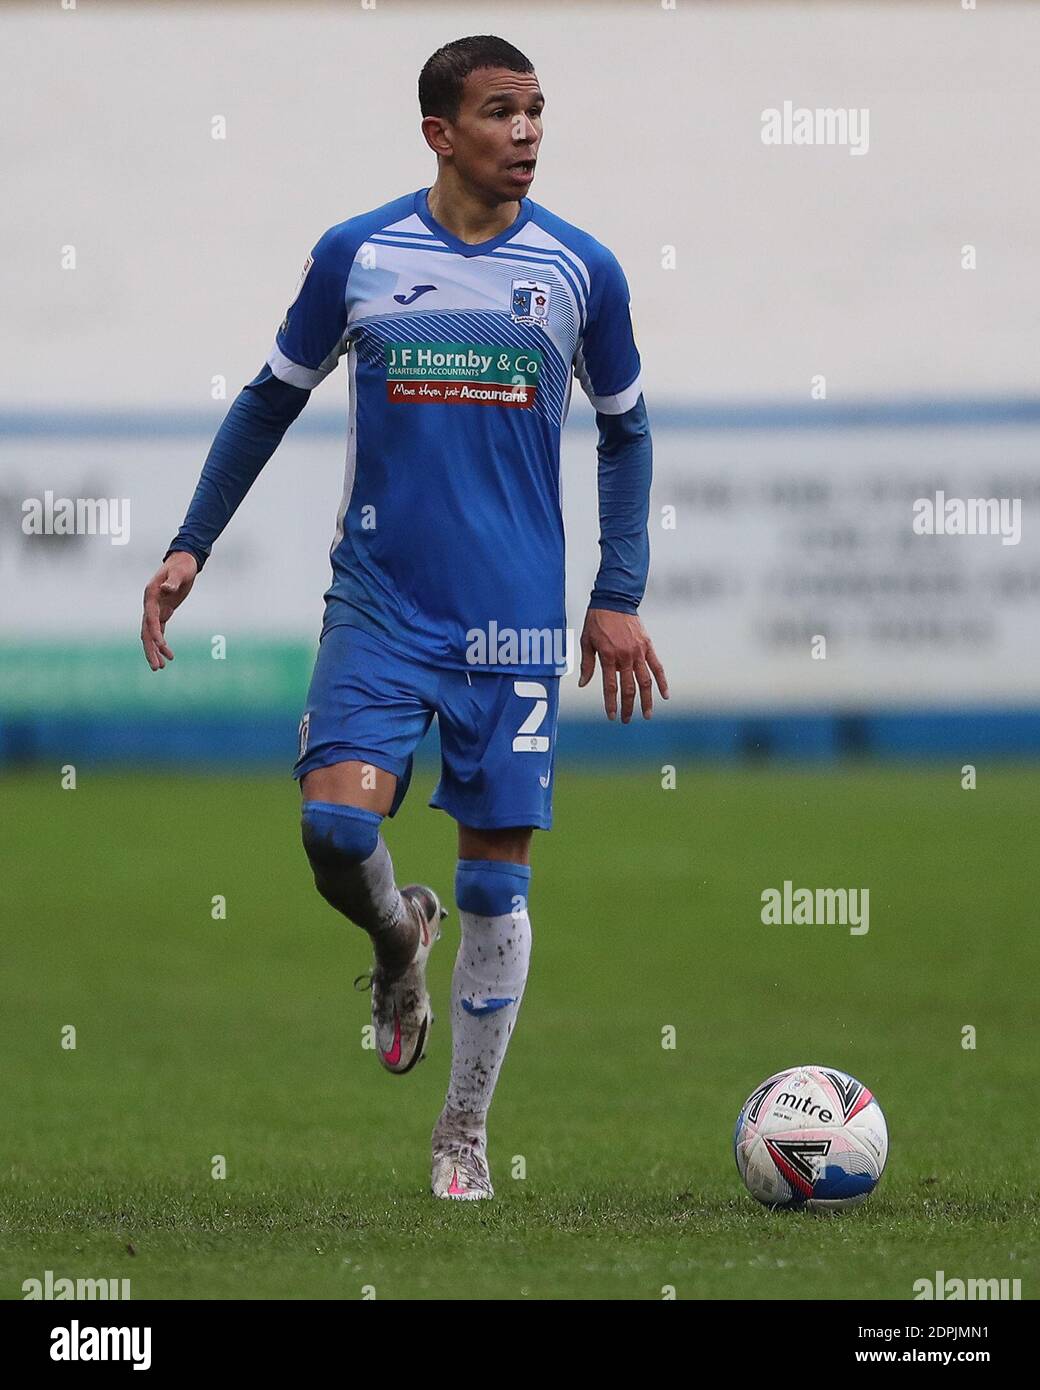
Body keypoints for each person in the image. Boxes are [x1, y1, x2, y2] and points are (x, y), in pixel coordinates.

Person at [140, 33, 667, 1200]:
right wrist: (191, 543)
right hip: (379, 603)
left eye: (535, 112)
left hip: (515, 618)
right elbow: (266, 401)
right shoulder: (357, 255)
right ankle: (395, 938)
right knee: (333, 834)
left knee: (494, 883)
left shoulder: (583, 271)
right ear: (439, 132)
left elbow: (627, 429)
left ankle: (461, 1134)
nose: (525, 133)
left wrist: (615, 594)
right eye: (499, 112)